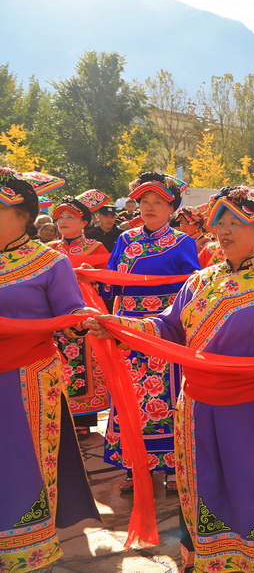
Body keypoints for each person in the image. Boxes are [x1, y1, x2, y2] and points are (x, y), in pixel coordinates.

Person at [86, 183, 254, 573]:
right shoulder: (199, 281)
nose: (224, 231)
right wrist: (121, 327)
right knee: (205, 482)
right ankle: (212, 557)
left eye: (235, 223)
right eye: (220, 223)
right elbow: (168, 327)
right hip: (198, 406)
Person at [0, 168, 99, 572]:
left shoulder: (49, 262)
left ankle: (26, 550)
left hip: (27, 378)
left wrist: (84, 318)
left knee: (22, 463)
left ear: (23, 214)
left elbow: (70, 312)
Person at [103, 172, 201, 494]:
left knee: (167, 394)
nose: (149, 206)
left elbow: (193, 285)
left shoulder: (183, 242)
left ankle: (172, 465)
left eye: (157, 201)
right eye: (144, 201)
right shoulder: (125, 240)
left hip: (165, 325)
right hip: (128, 325)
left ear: (171, 208)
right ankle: (134, 463)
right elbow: (112, 279)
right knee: (129, 393)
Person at [49, 190, 112, 437]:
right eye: (60, 217)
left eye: (70, 217)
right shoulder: (49, 250)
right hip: (54, 310)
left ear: (84, 222)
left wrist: (91, 277)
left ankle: (84, 419)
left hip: (85, 308)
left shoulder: (96, 248)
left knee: (85, 358)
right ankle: (58, 415)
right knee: (58, 357)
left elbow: (108, 281)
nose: (63, 221)